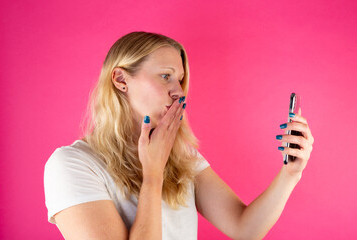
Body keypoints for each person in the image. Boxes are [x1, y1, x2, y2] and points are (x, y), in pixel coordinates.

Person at [44, 31, 314, 240]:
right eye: (165, 76)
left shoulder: (181, 155)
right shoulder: (72, 165)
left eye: (180, 80)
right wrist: (153, 176)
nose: (179, 92)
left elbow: (244, 228)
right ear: (121, 80)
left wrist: (290, 175)